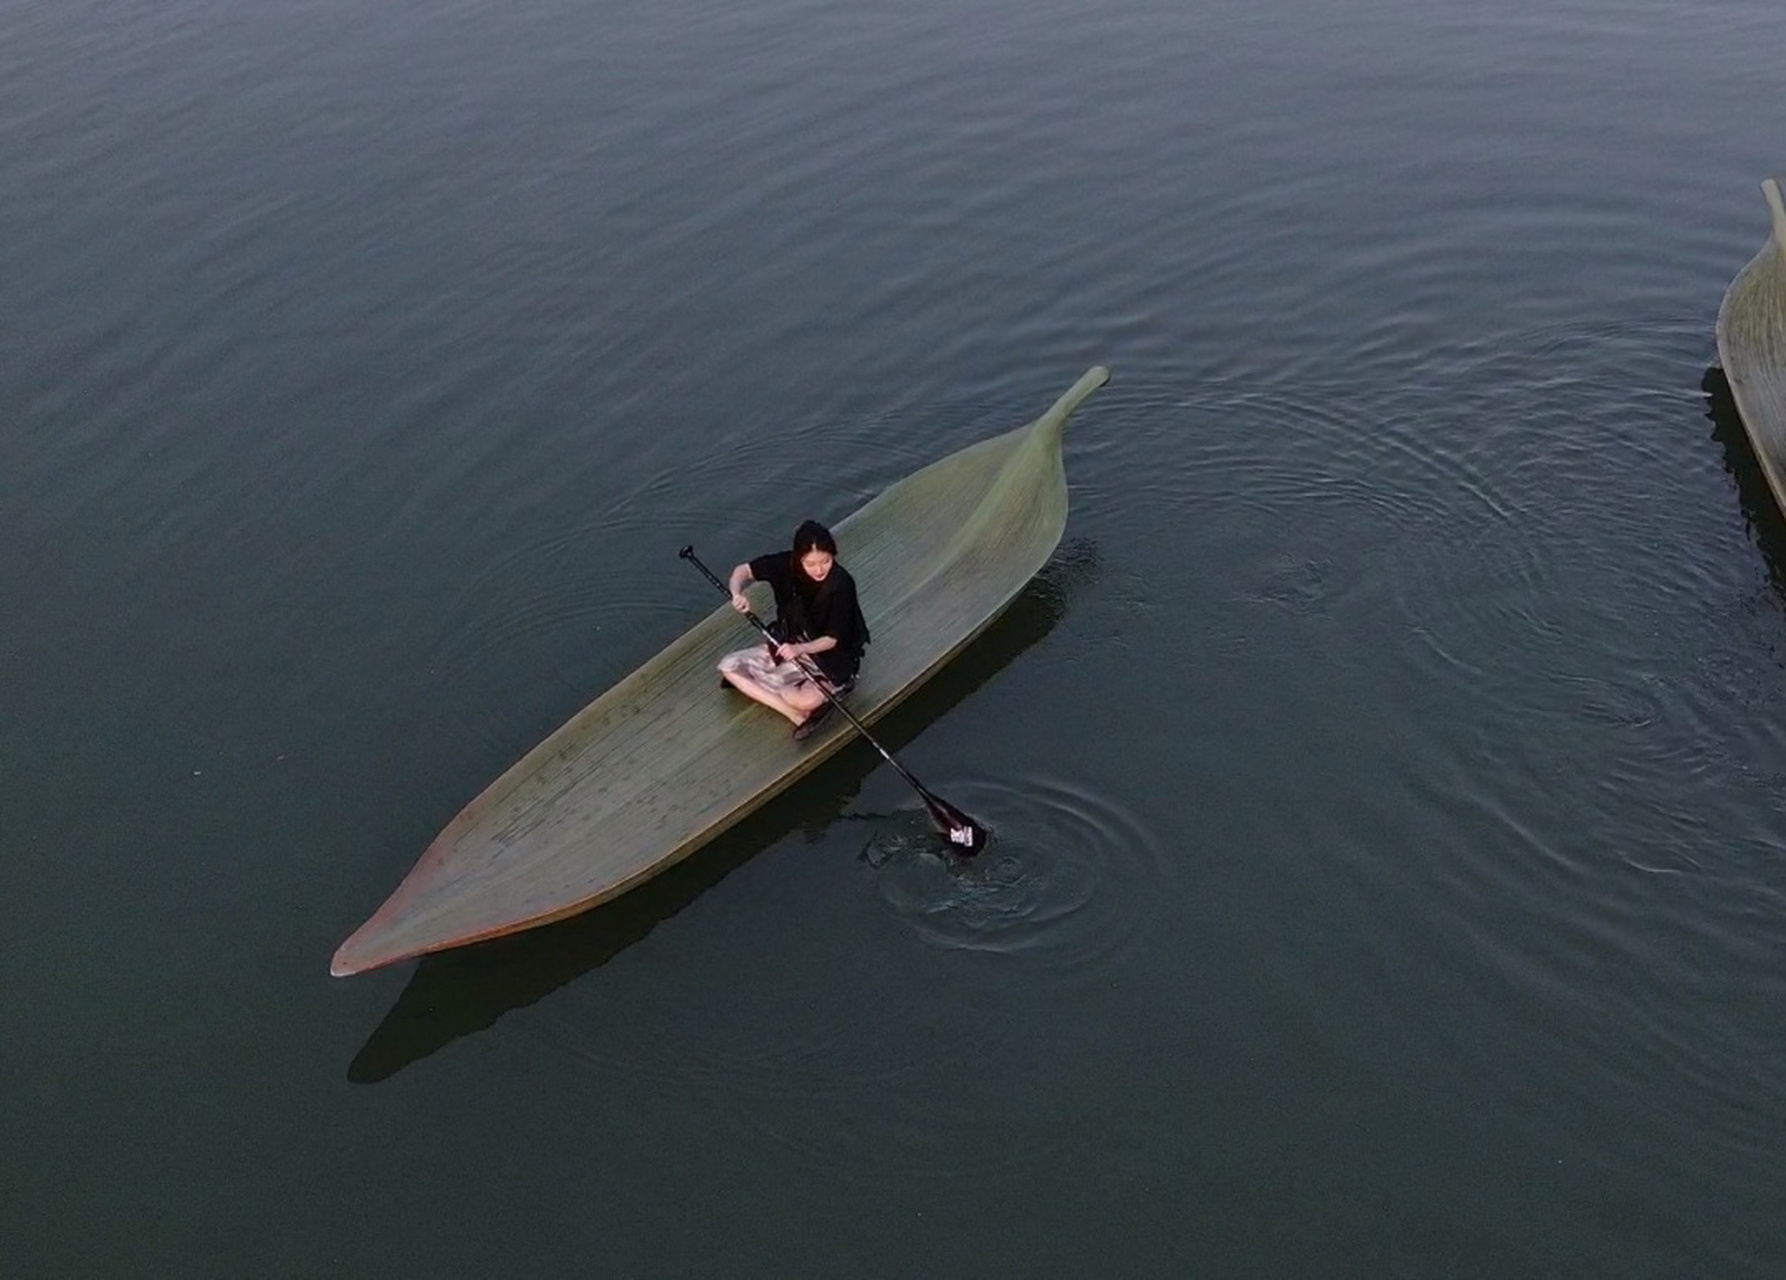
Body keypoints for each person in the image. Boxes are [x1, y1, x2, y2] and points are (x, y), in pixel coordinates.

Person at [717, 520, 870, 740]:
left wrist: (799, 649)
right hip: (788, 645)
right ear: (799, 558)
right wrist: (737, 593)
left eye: (825, 561)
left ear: (833, 555)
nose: (819, 570)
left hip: (828, 657)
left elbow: (832, 639)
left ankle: (803, 693)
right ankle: (794, 716)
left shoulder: (842, 584)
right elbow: (742, 571)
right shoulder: (784, 564)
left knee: (799, 698)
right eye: (811, 564)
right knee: (728, 667)